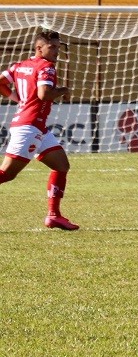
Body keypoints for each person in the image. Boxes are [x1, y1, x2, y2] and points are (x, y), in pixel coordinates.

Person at [0, 29, 79, 230]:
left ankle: (54, 215)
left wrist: (16, 99)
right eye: (52, 47)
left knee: (61, 165)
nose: (56, 52)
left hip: (36, 127)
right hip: (29, 127)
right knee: (6, 174)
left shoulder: (20, 65)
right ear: (39, 48)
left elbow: (1, 82)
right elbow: (45, 94)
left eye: (58, 48)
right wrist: (63, 90)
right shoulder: (47, 67)